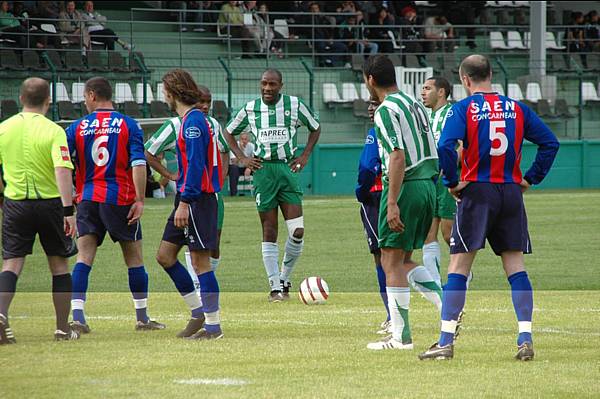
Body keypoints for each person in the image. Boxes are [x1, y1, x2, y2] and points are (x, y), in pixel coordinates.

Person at [418, 55, 560, 361]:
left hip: (478, 191)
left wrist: (453, 182)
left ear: (465, 80)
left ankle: (445, 341)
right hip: (510, 192)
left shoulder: (464, 108)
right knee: (515, 266)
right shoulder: (517, 108)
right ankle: (525, 337)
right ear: (491, 75)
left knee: (458, 267)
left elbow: (445, 146)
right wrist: (530, 178)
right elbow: (550, 143)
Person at [65, 77, 165, 334]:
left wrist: (72, 194)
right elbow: (139, 164)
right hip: (120, 199)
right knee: (134, 258)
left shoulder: (75, 128)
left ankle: (77, 316)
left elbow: (64, 164)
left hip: (87, 199)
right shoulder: (128, 125)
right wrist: (140, 199)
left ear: (91, 95)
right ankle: (142, 318)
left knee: (84, 256)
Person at [362, 55, 441, 351]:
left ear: (371, 79)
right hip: (427, 184)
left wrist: (391, 201)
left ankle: (401, 337)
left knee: (390, 260)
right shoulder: (414, 104)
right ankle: (447, 309)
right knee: (405, 259)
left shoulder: (385, 110)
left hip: (405, 185)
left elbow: (397, 156)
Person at [224, 68, 321, 302]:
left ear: (281, 85)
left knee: (297, 231)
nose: (267, 88)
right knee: (269, 230)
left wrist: (305, 155)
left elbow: (315, 127)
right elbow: (227, 132)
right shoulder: (250, 108)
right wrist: (242, 158)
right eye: (264, 84)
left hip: (287, 170)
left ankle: (285, 278)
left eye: (272, 84)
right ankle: (275, 287)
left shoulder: (295, 105)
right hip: (263, 171)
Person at [0, 77, 79, 344]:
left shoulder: (4, 128)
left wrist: (3, 195)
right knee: (59, 264)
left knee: (12, 263)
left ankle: (1, 315)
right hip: (50, 204)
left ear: (21, 99)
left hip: (15, 202)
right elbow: (62, 169)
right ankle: (61, 329)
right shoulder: (54, 130)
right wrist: (68, 210)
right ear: (49, 101)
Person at [155, 69, 224, 340]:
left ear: (172, 92)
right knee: (165, 256)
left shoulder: (193, 122)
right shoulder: (188, 120)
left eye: (165, 91)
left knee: (200, 262)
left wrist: (185, 202)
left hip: (196, 199)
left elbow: (196, 166)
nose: (164, 96)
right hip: (186, 197)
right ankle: (198, 312)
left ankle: (213, 327)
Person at [144, 84, 230, 300]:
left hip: (201, 196)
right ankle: (199, 310)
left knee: (206, 255)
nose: (205, 106)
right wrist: (170, 174)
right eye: (202, 101)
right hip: (190, 195)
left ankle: (209, 319)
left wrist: (218, 178)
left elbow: (218, 153)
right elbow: (149, 152)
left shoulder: (205, 123)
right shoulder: (177, 124)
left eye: (208, 102)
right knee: (167, 255)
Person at [355, 97, 390, 334]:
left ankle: (392, 315)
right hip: (403, 193)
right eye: (369, 104)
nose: (370, 108)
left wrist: (361, 191)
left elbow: (368, 167)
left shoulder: (376, 131)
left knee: (383, 258)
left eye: (374, 103)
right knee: (400, 257)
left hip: (377, 196)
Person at [420, 76, 454, 287]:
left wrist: (450, 168)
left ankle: (462, 275)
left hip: (447, 181)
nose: (423, 92)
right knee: (428, 232)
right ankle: (435, 284)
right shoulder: (427, 117)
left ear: (441, 92)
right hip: (429, 181)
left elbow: (462, 144)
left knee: (448, 231)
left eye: (427, 88)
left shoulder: (451, 113)